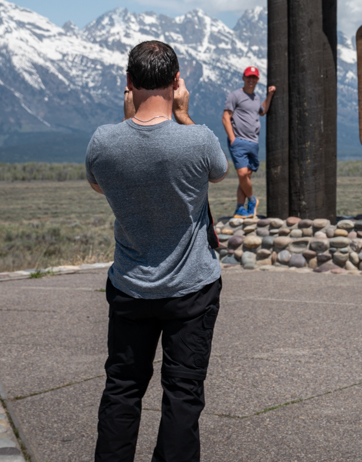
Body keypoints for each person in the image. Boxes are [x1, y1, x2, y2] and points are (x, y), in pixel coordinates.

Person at [86, 40, 228, 462]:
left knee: (122, 389)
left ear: (128, 82)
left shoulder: (103, 142)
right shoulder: (198, 139)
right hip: (193, 288)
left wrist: (127, 121)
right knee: (183, 394)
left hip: (130, 287)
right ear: (177, 81)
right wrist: (183, 115)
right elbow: (219, 173)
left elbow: (99, 184)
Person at [222, 66, 275, 218]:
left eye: (254, 78)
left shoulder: (256, 98)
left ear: (257, 80)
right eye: (248, 77)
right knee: (242, 173)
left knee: (245, 177)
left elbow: (262, 111)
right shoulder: (235, 95)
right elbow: (226, 117)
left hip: (253, 142)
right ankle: (252, 200)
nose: (251, 80)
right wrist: (233, 139)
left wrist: (269, 95)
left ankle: (241, 208)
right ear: (243, 78)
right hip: (239, 141)